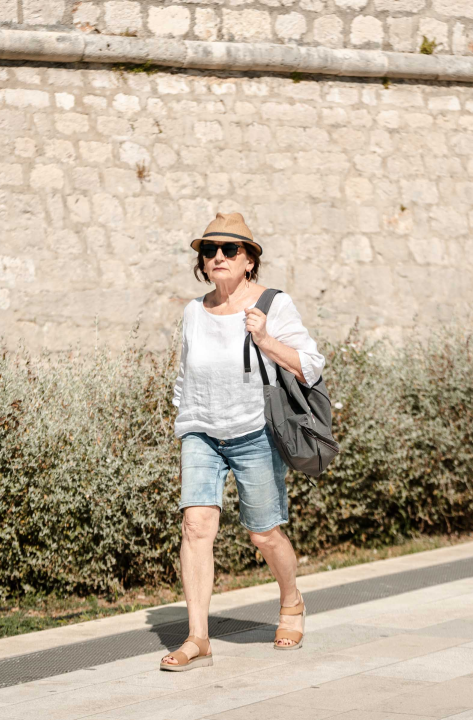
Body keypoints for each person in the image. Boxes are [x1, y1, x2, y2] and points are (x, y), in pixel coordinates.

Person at [159, 212, 326, 671]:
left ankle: (291, 601)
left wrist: (266, 338)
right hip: (200, 432)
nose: (217, 257)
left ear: (249, 260)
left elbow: (310, 365)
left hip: (254, 432)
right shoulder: (194, 310)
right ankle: (198, 638)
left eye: (229, 250)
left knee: (263, 533)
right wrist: (183, 420)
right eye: (209, 251)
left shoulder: (274, 304)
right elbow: (184, 374)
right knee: (196, 528)